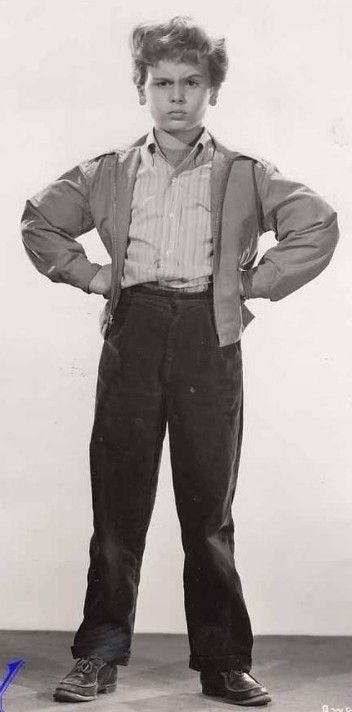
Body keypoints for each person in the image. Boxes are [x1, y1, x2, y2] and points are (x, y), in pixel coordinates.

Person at [20, 15, 339, 707]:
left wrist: (249, 283)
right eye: (162, 83)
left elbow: (317, 223)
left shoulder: (244, 173)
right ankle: (98, 656)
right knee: (118, 507)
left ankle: (223, 663)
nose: (176, 97)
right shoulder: (107, 170)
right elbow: (39, 221)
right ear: (142, 88)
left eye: (191, 83)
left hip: (207, 339)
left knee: (208, 510)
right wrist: (96, 276)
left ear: (211, 93)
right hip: (133, 331)